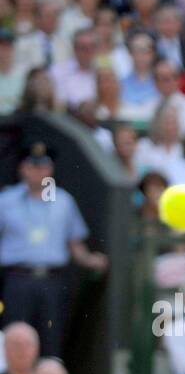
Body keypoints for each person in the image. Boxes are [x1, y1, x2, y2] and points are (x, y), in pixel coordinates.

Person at [0, 142, 108, 356]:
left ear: (50, 170)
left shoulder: (64, 201)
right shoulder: (5, 201)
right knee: (15, 336)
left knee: (51, 335)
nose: (38, 171)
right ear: (22, 168)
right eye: (32, 166)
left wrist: (91, 260)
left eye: (43, 166)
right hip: (17, 278)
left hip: (53, 280)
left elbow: (74, 245)